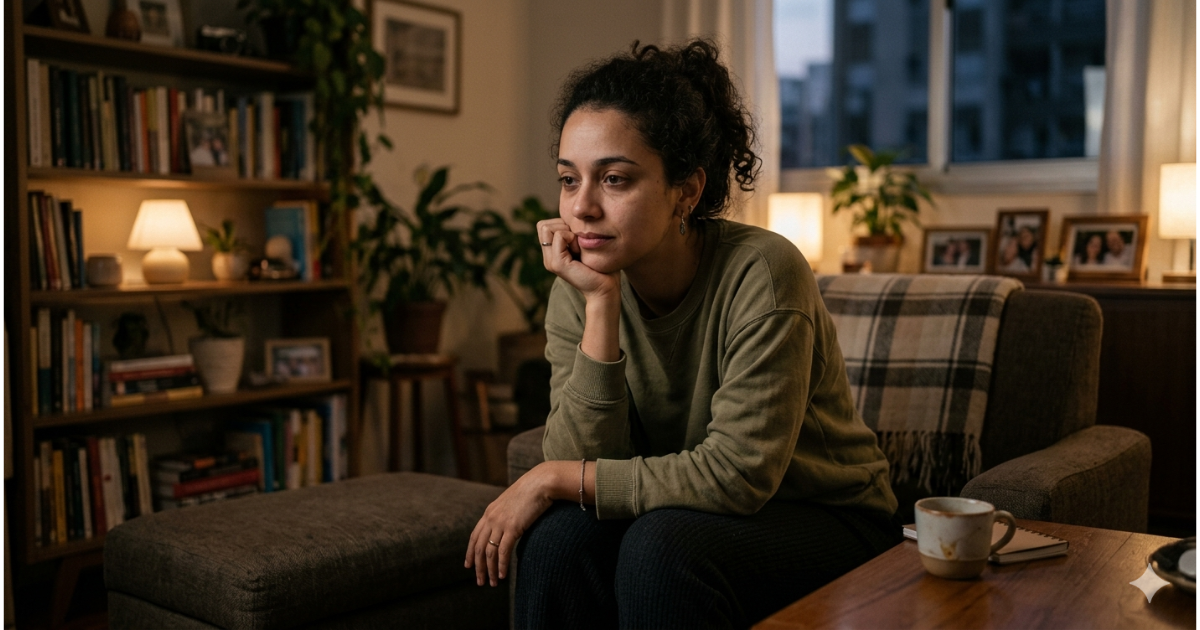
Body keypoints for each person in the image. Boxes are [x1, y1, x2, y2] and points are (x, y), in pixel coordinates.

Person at [463, 39, 900, 629]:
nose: (583, 208)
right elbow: (583, 457)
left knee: (660, 549)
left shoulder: (764, 273)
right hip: (679, 513)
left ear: (686, 192)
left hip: (826, 516)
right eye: (570, 180)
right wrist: (599, 304)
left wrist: (553, 476)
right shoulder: (580, 284)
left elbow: (738, 476)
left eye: (614, 180)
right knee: (557, 542)